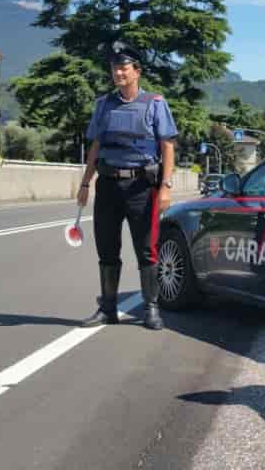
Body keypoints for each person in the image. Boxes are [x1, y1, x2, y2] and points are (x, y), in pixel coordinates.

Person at [77, 41, 178, 331]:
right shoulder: (103, 105)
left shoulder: (155, 104)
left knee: (147, 250)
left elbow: (167, 146)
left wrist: (166, 187)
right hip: (107, 186)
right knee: (107, 249)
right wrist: (86, 183)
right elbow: (96, 146)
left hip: (142, 188)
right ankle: (107, 309)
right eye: (114, 68)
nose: (118, 73)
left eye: (123, 67)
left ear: (137, 71)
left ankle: (151, 309)